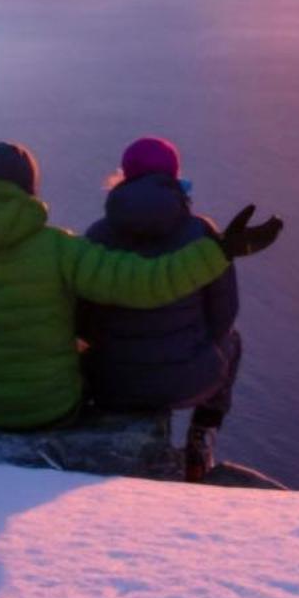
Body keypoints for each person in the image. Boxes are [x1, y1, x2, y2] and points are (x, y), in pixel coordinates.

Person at [0, 140, 281, 432]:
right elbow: (146, 284)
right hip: (50, 410)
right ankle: (200, 440)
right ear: (29, 190)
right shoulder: (61, 249)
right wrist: (220, 251)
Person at [77, 136, 247, 482]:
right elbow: (224, 316)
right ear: (174, 177)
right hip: (187, 381)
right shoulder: (201, 234)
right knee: (234, 341)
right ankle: (201, 439)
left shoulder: (97, 236)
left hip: (111, 383)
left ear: (123, 176)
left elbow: (83, 319)